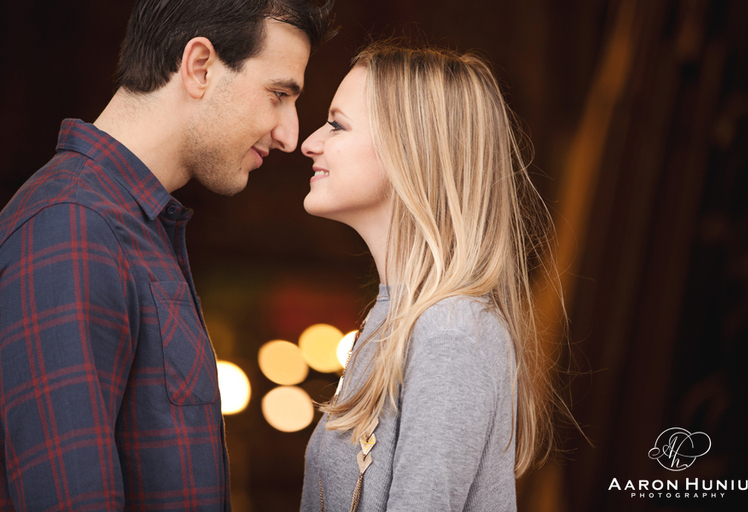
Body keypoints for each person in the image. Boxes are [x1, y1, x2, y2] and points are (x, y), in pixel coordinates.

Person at [0, 1, 335, 510]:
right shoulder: (72, 224)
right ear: (199, 66)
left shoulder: (131, 225)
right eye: (278, 94)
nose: (290, 135)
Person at [299, 42, 563, 511]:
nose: (309, 142)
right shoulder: (395, 318)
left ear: (409, 149)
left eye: (336, 125)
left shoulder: (453, 329)